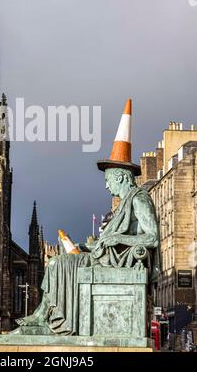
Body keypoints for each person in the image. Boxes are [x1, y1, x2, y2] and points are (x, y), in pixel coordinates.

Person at [11, 99, 160, 336]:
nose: (106, 184)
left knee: (58, 264)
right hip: (106, 257)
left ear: (121, 177)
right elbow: (112, 242)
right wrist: (89, 246)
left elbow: (152, 238)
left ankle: (49, 319)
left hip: (115, 263)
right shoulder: (126, 201)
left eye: (108, 178)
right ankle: (44, 316)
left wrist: (117, 238)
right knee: (58, 261)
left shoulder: (139, 198)